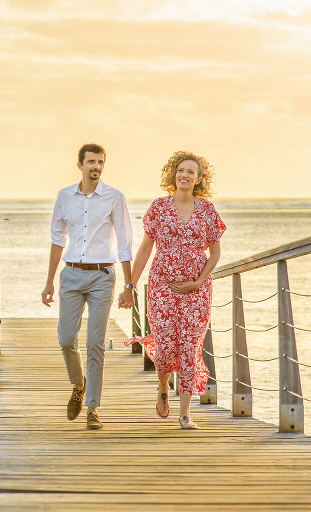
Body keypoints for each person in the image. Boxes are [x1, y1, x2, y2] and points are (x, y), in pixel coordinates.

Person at [120, 150, 225, 429]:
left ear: (199, 178)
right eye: (180, 170)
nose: (184, 175)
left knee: (190, 348)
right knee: (166, 348)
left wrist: (198, 281)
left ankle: (186, 413)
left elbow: (215, 254)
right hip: (161, 287)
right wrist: (129, 285)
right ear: (173, 175)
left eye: (191, 172)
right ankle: (163, 386)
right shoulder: (159, 208)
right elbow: (144, 249)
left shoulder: (208, 211)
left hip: (197, 290)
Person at [42, 143, 134, 430]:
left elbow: (124, 243)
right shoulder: (65, 196)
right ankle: (78, 384)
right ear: (79, 164)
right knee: (66, 339)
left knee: (95, 343)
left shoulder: (114, 197)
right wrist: (48, 282)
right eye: (91, 161)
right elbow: (58, 238)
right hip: (70, 276)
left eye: (101, 162)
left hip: (101, 277)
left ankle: (93, 408)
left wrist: (129, 286)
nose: (96, 166)